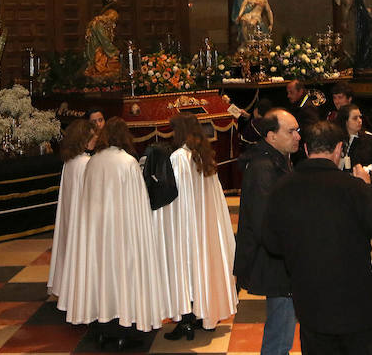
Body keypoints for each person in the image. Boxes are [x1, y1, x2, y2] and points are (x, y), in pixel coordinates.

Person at [264, 121, 372, 354]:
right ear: (339, 149)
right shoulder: (354, 188)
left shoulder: (282, 188)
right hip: (357, 307)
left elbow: (272, 244)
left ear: (306, 149)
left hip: (311, 305)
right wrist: (368, 189)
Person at [59, 117, 168, 348]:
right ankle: (123, 328)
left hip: (97, 234)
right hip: (123, 233)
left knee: (102, 277)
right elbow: (139, 202)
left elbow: (87, 200)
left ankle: (102, 327)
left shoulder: (94, 161)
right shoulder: (127, 162)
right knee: (124, 278)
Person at [158, 114, 238, 340]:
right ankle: (205, 316)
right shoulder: (203, 155)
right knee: (202, 269)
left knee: (186, 269)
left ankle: (186, 321)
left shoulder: (179, 157)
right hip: (205, 224)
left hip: (186, 225)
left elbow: (174, 196)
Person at [233, 109, 300, 355]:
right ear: (272, 136)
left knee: (282, 329)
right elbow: (265, 222)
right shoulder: (263, 167)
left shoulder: (277, 160)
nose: (298, 136)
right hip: (275, 260)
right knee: (279, 335)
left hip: (278, 257)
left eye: (297, 130)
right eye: (291, 131)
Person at [336, 104, 372, 313]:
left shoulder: (369, 140)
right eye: (355, 118)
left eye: (361, 117)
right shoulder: (337, 141)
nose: (360, 121)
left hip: (368, 196)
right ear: (344, 121)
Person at [47, 119, 97, 300]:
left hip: (71, 219)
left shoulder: (70, 162)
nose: (96, 138)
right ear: (83, 139)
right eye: (92, 136)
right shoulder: (87, 163)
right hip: (83, 221)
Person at [83, 8, 121, 78]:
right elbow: (104, 40)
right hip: (97, 50)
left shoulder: (104, 25)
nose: (113, 23)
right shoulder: (98, 24)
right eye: (112, 20)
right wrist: (114, 51)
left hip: (102, 49)